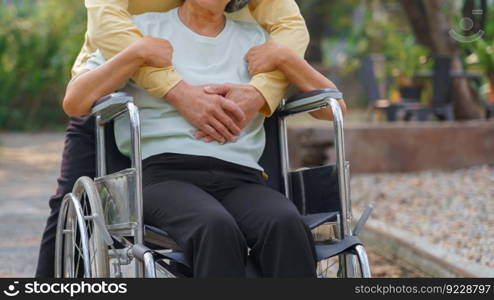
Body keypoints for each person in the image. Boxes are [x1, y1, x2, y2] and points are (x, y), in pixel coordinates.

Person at [62, 0, 346, 278]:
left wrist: (286, 58)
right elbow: (75, 101)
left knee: (285, 223)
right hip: (164, 177)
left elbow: (332, 107)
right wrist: (135, 54)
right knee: (214, 226)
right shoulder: (141, 32)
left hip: (241, 178)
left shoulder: (258, 43)